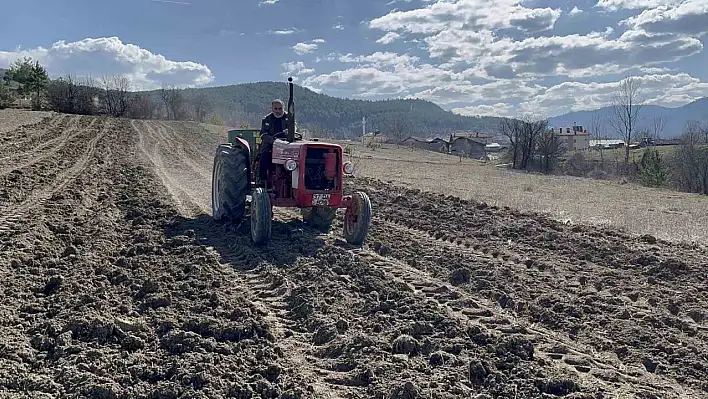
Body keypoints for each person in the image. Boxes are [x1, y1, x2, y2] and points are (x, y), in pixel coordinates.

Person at [258, 99, 289, 184]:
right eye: (275, 108)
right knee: (264, 156)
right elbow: (263, 134)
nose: (278, 111)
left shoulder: (289, 117)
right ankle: (263, 180)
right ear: (272, 108)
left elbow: (294, 128)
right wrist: (274, 141)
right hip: (271, 143)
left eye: (280, 108)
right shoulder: (267, 119)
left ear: (284, 108)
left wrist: (289, 132)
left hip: (286, 143)